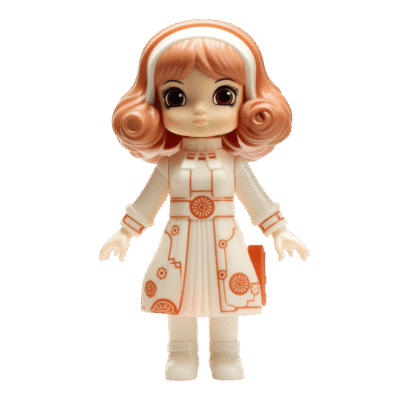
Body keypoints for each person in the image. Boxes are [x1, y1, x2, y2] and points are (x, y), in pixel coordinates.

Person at [99, 19, 310, 382]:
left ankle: (226, 351)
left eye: (223, 96)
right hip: (179, 239)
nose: (200, 111)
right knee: (178, 295)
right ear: (155, 105)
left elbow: (256, 199)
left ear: (248, 102)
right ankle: (181, 351)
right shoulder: (169, 164)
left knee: (225, 297)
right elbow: (147, 200)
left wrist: (279, 232)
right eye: (177, 97)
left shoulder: (234, 163)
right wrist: (124, 234)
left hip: (224, 238)